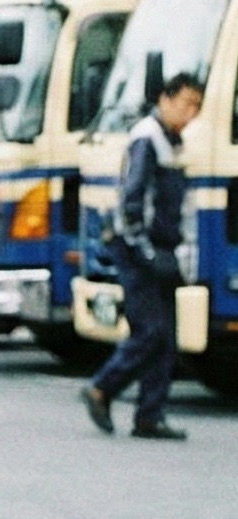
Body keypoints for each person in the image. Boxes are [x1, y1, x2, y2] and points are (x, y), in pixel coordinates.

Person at [82, 72, 206, 441]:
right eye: (187, 104)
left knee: (166, 337)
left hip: (161, 249)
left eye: (197, 106)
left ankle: (150, 416)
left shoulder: (172, 140)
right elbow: (131, 200)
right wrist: (144, 251)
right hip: (139, 250)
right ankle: (102, 388)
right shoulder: (147, 139)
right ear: (165, 100)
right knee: (150, 330)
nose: (191, 113)